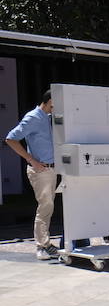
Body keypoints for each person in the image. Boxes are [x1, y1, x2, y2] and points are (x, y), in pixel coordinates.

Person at [5, 89, 59, 260]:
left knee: (48, 207)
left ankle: (44, 244)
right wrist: (31, 160)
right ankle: (42, 246)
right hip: (41, 170)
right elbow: (10, 139)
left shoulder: (50, 118)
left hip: (52, 169)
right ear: (50, 101)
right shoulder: (33, 118)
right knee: (45, 206)